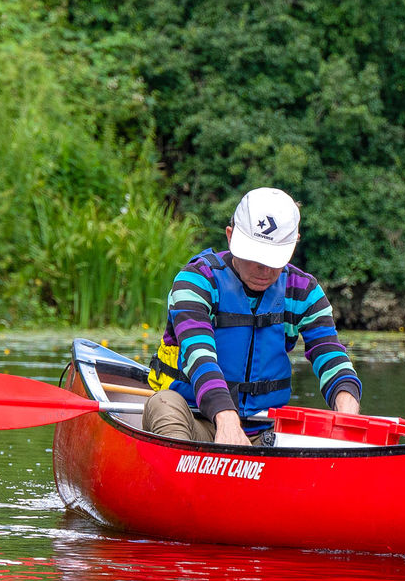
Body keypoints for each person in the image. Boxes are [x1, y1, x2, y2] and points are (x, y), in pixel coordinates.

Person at [143, 187, 361, 446]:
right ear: (230, 236)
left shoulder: (303, 291)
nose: (264, 269)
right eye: (255, 256)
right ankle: (181, 476)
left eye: (273, 258)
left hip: (264, 432)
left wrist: (348, 414)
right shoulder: (196, 282)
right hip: (197, 419)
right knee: (163, 403)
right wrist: (227, 420)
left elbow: (330, 355)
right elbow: (198, 355)